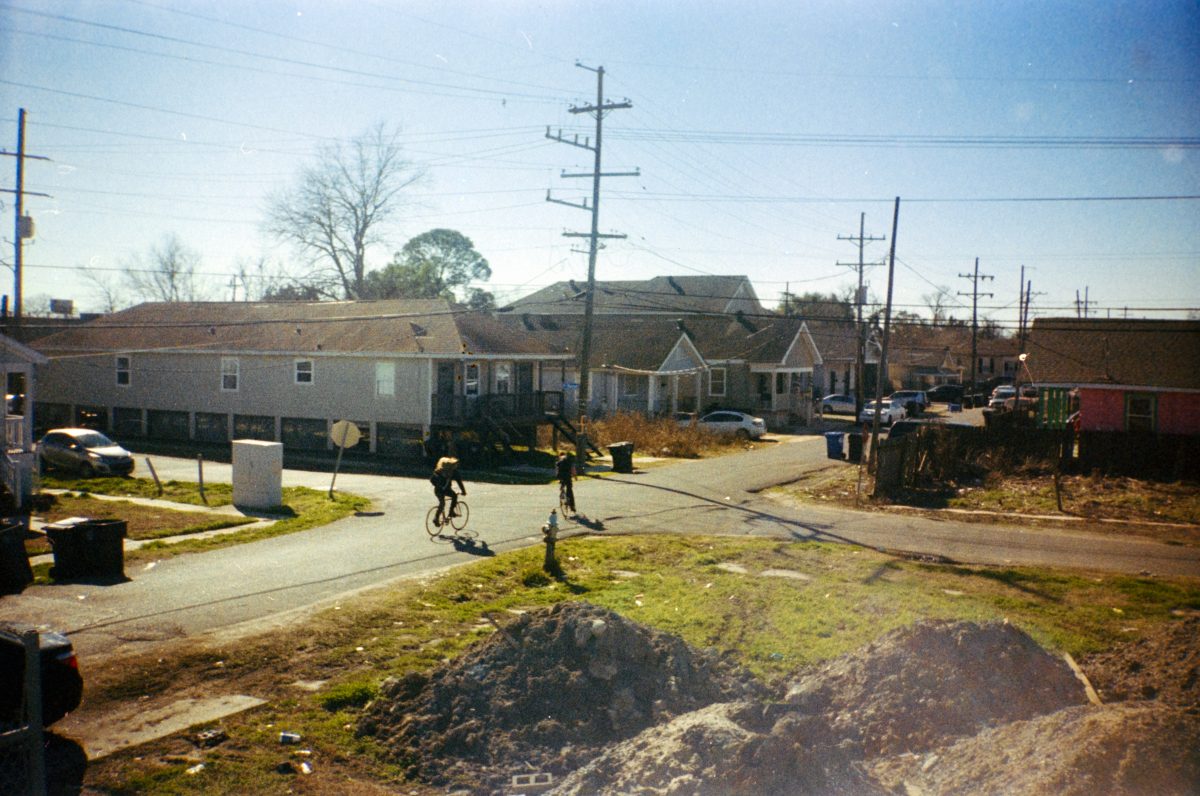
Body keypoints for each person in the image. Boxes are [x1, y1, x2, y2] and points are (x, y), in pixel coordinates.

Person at [431, 457, 466, 526]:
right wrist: (463, 491)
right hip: (446, 490)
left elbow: (432, 479)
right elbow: (459, 482)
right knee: (454, 495)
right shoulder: (453, 472)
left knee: (442, 503)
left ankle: (436, 518)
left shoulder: (439, 471)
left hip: (438, 489)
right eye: (455, 465)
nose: (456, 466)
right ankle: (451, 512)